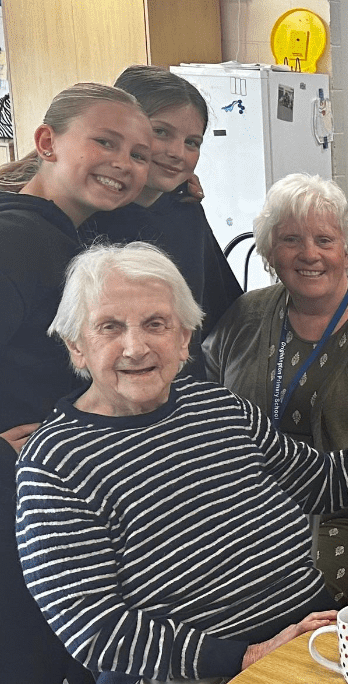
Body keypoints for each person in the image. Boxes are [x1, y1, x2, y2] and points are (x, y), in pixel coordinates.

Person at [15, 241, 348, 683]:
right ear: (76, 344)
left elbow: (322, 481)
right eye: (110, 326)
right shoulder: (57, 462)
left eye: (156, 324)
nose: (135, 347)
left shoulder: (218, 407)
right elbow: (94, 628)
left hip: (310, 637)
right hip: (208, 672)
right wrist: (250, 656)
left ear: (184, 338)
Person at [202, 173, 348, 603]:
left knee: (283, 586)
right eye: (291, 239)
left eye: (324, 240)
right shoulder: (244, 315)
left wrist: (305, 500)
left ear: (347, 249)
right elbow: (205, 417)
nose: (309, 254)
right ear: (271, 251)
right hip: (251, 509)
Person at [1, 82, 152, 684]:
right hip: (22, 489)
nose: (125, 163)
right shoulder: (17, 239)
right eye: (106, 142)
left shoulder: (69, 234)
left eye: (139, 155)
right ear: (46, 142)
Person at [87, 65, 242, 381]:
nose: (177, 153)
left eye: (192, 142)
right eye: (161, 133)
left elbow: (222, 308)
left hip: (183, 397)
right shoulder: (86, 218)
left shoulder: (186, 210)